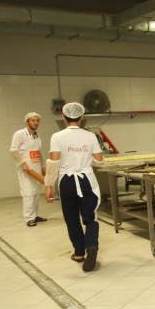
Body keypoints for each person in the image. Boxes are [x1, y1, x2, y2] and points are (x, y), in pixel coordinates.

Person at [45, 102, 104, 272]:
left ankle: (79, 253)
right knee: (90, 217)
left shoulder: (57, 137)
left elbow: (54, 162)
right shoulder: (90, 136)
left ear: (63, 117)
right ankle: (91, 246)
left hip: (67, 182)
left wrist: (49, 185)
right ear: (82, 117)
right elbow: (99, 160)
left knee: (71, 218)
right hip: (86, 180)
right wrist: (85, 162)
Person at [10, 112, 47, 227]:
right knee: (28, 193)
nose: (36, 123)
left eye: (37, 120)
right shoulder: (20, 134)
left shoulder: (37, 135)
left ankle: (35, 215)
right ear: (27, 122)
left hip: (36, 168)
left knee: (36, 193)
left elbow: (39, 152)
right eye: (33, 120)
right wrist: (22, 163)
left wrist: (43, 166)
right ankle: (29, 218)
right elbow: (13, 150)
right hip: (26, 169)